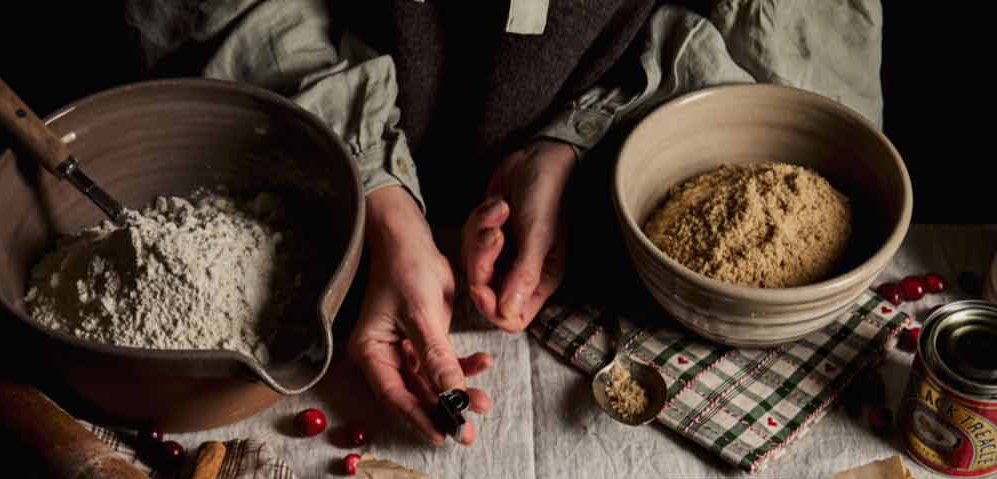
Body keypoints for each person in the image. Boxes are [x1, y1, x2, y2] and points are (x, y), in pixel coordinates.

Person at [126, 0, 883, 446]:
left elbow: (800, 101)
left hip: (628, 167)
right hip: (309, 160)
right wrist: (379, 201)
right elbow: (223, 14)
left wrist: (581, 143)